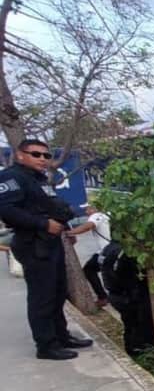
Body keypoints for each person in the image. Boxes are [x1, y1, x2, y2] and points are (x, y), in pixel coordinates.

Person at [0, 139, 93, 359]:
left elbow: (53, 207)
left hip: (50, 241)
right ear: (20, 155)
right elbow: (6, 211)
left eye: (45, 155)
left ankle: (61, 336)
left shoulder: (38, 179)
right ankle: (46, 345)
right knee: (43, 296)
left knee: (58, 291)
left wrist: (66, 230)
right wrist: (43, 224)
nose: (42, 159)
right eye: (36, 154)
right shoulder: (11, 178)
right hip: (32, 242)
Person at [66, 203, 111, 306]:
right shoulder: (108, 215)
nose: (86, 212)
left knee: (88, 270)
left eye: (88, 209)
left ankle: (102, 297)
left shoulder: (97, 216)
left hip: (106, 250)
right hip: (112, 249)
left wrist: (70, 233)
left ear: (94, 208)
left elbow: (88, 226)